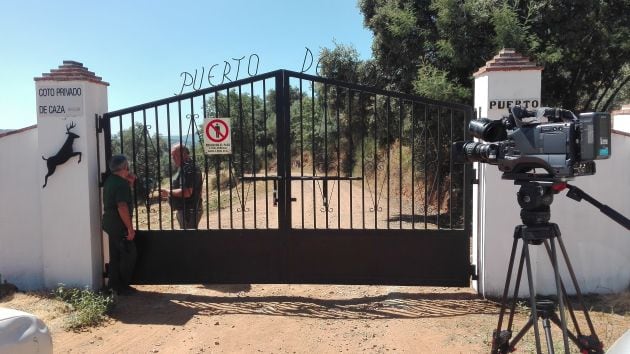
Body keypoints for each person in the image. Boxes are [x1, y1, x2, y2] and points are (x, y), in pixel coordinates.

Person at [102, 154, 137, 296]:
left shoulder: (111, 180)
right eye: (127, 166)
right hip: (119, 224)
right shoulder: (121, 184)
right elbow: (122, 206)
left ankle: (113, 286)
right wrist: (129, 228)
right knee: (129, 254)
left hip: (110, 223)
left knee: (115, 255)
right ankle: (121, 287)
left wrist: (130, 184)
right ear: (124, 167)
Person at [160, 144, 203, 229]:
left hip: (189, 211)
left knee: (188, 239)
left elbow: (187, 192)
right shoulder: (186, 167)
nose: (173, 159)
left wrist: (168, 192)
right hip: (187, 210)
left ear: (183, 154)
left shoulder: (189, 168)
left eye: (174, 156)